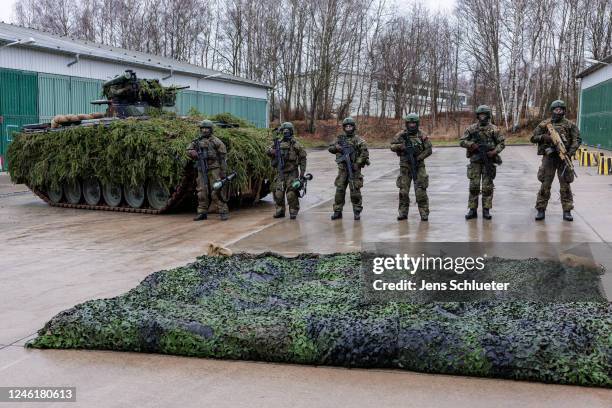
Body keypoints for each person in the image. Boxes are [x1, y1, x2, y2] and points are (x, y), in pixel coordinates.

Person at [531, 100, 581, 221]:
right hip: (549, 158)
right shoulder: (544, 124)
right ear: (552, 110)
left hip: (564, 158)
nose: (558, 112)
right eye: (556, 110)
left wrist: (570, 152)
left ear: (564, 111)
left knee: (565, 185)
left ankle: (567, 210)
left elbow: (577, 139)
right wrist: (544, 137)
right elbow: (533, 138)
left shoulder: (570, 124)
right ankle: (541, 209)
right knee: (545, 184)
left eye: (561, 110)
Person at [459, 105, 505, 220]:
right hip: (475, 161)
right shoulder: (472, 129)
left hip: (488, 161)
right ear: (478, 116)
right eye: (480, 115)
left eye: (484, 115)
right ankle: (472, 210)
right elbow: (462, 141)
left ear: (488, 116)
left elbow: (502, 143)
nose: (482, 117)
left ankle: (486, 210)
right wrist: (472, 145)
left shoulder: (494, 129)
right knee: (474, 186)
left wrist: (494, 152)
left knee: (487, 187)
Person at [390, 113, 432, 221]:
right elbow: (392, 146)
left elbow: (429, 150)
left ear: (417, 123)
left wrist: (418, 158)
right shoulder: (401, 135)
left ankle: (424, 213)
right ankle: (403, 213)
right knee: (403, 191)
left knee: (420, 191)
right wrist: (401, 146)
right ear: (407, 124)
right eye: (410, 123)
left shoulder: (422, 135)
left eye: (414, 123)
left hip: (419, 166)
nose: (412, 125)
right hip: (405, 166)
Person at [186, 120, 229, 221]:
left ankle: (223, 211)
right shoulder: (197, 141)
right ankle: (202, 212)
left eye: (207, 129)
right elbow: (188, 149)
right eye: (203, 129)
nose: (205, 130)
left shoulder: (216, 141)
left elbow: (223, 158)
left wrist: (223, 172)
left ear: (211, 130)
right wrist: (192, 152)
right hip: (201, 169)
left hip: (214, 168)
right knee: (202, 191)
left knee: (217, 190)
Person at [328, 117, 370, 220]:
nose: (348, 128)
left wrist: (358, 163)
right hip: (342, 170)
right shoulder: (340, 139)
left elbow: (364, 154)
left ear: (353, 127)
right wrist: (337, 148)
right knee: (339, 190)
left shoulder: (359, 140)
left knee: (355, 191)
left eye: (350, 126)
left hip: (354, 170)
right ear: (344, 128)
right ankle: (337, 211)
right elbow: (330, 148)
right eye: (346, 126)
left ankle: (357, 211)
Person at [267, 122, 307, 219]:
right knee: (278, 193)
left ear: (291, 131)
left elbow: (303, 158)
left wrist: (302, 173)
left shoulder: (296, 145)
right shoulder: (277, 143)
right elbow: (268, 151)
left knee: (291, 193)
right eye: (284, 131)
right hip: (280, 172)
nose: (286, 133)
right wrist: (272, 152)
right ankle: (280, 210)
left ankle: (293, 210)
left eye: (288, 131)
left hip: (292, 173)